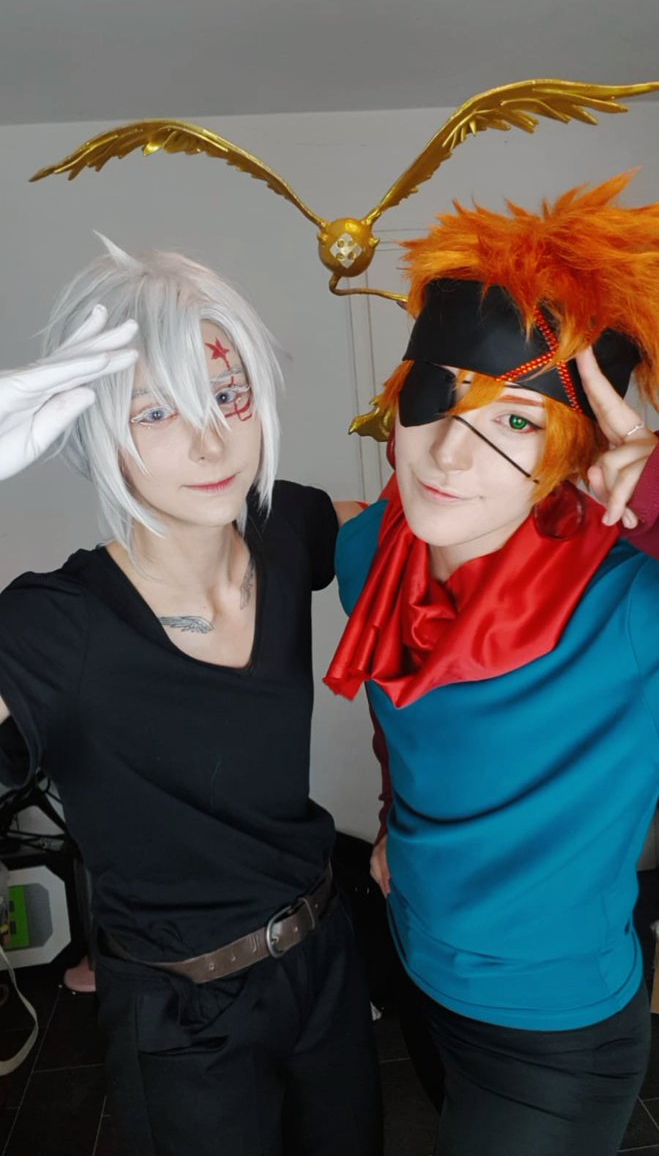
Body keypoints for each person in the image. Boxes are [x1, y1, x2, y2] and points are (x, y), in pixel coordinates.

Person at [0, 241, 381, 1156]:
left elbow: (407, 534)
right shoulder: (55, 622)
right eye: (156, 410)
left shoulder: (284, 526)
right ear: (97, 430)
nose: (209, 441)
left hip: (325, 960)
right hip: (181, 1013)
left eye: (227, 394)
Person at [325, 174, 659, 1156]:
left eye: (516, 420)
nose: (448, 457)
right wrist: (391, 823)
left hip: (554, 1030)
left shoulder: (625, 601)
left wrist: (653, 482)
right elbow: (403, 719)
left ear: (571, 450)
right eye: (439, 396)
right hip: (420, 962)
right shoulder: (371, 551)